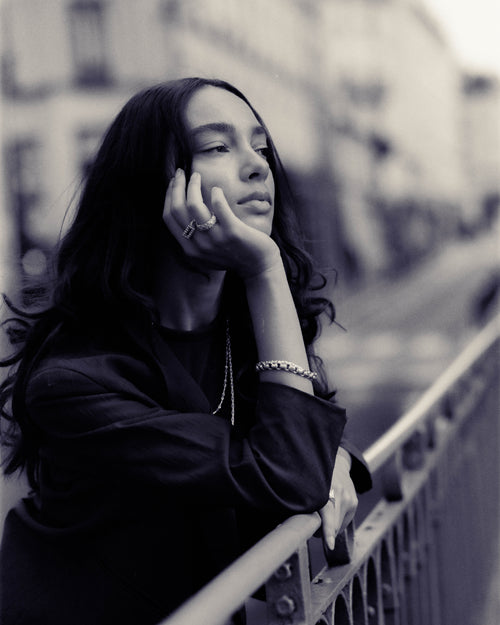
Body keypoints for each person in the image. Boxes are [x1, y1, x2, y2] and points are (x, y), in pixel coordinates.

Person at [0, 77, 371, 624]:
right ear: (155, 187)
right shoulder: (77, 381)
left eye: (260, 146)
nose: (256, 166)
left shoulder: (239, 333)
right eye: (218, 147)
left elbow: (291, 459)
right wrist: (264, 268)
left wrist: (334, 456)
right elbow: (289, 474)